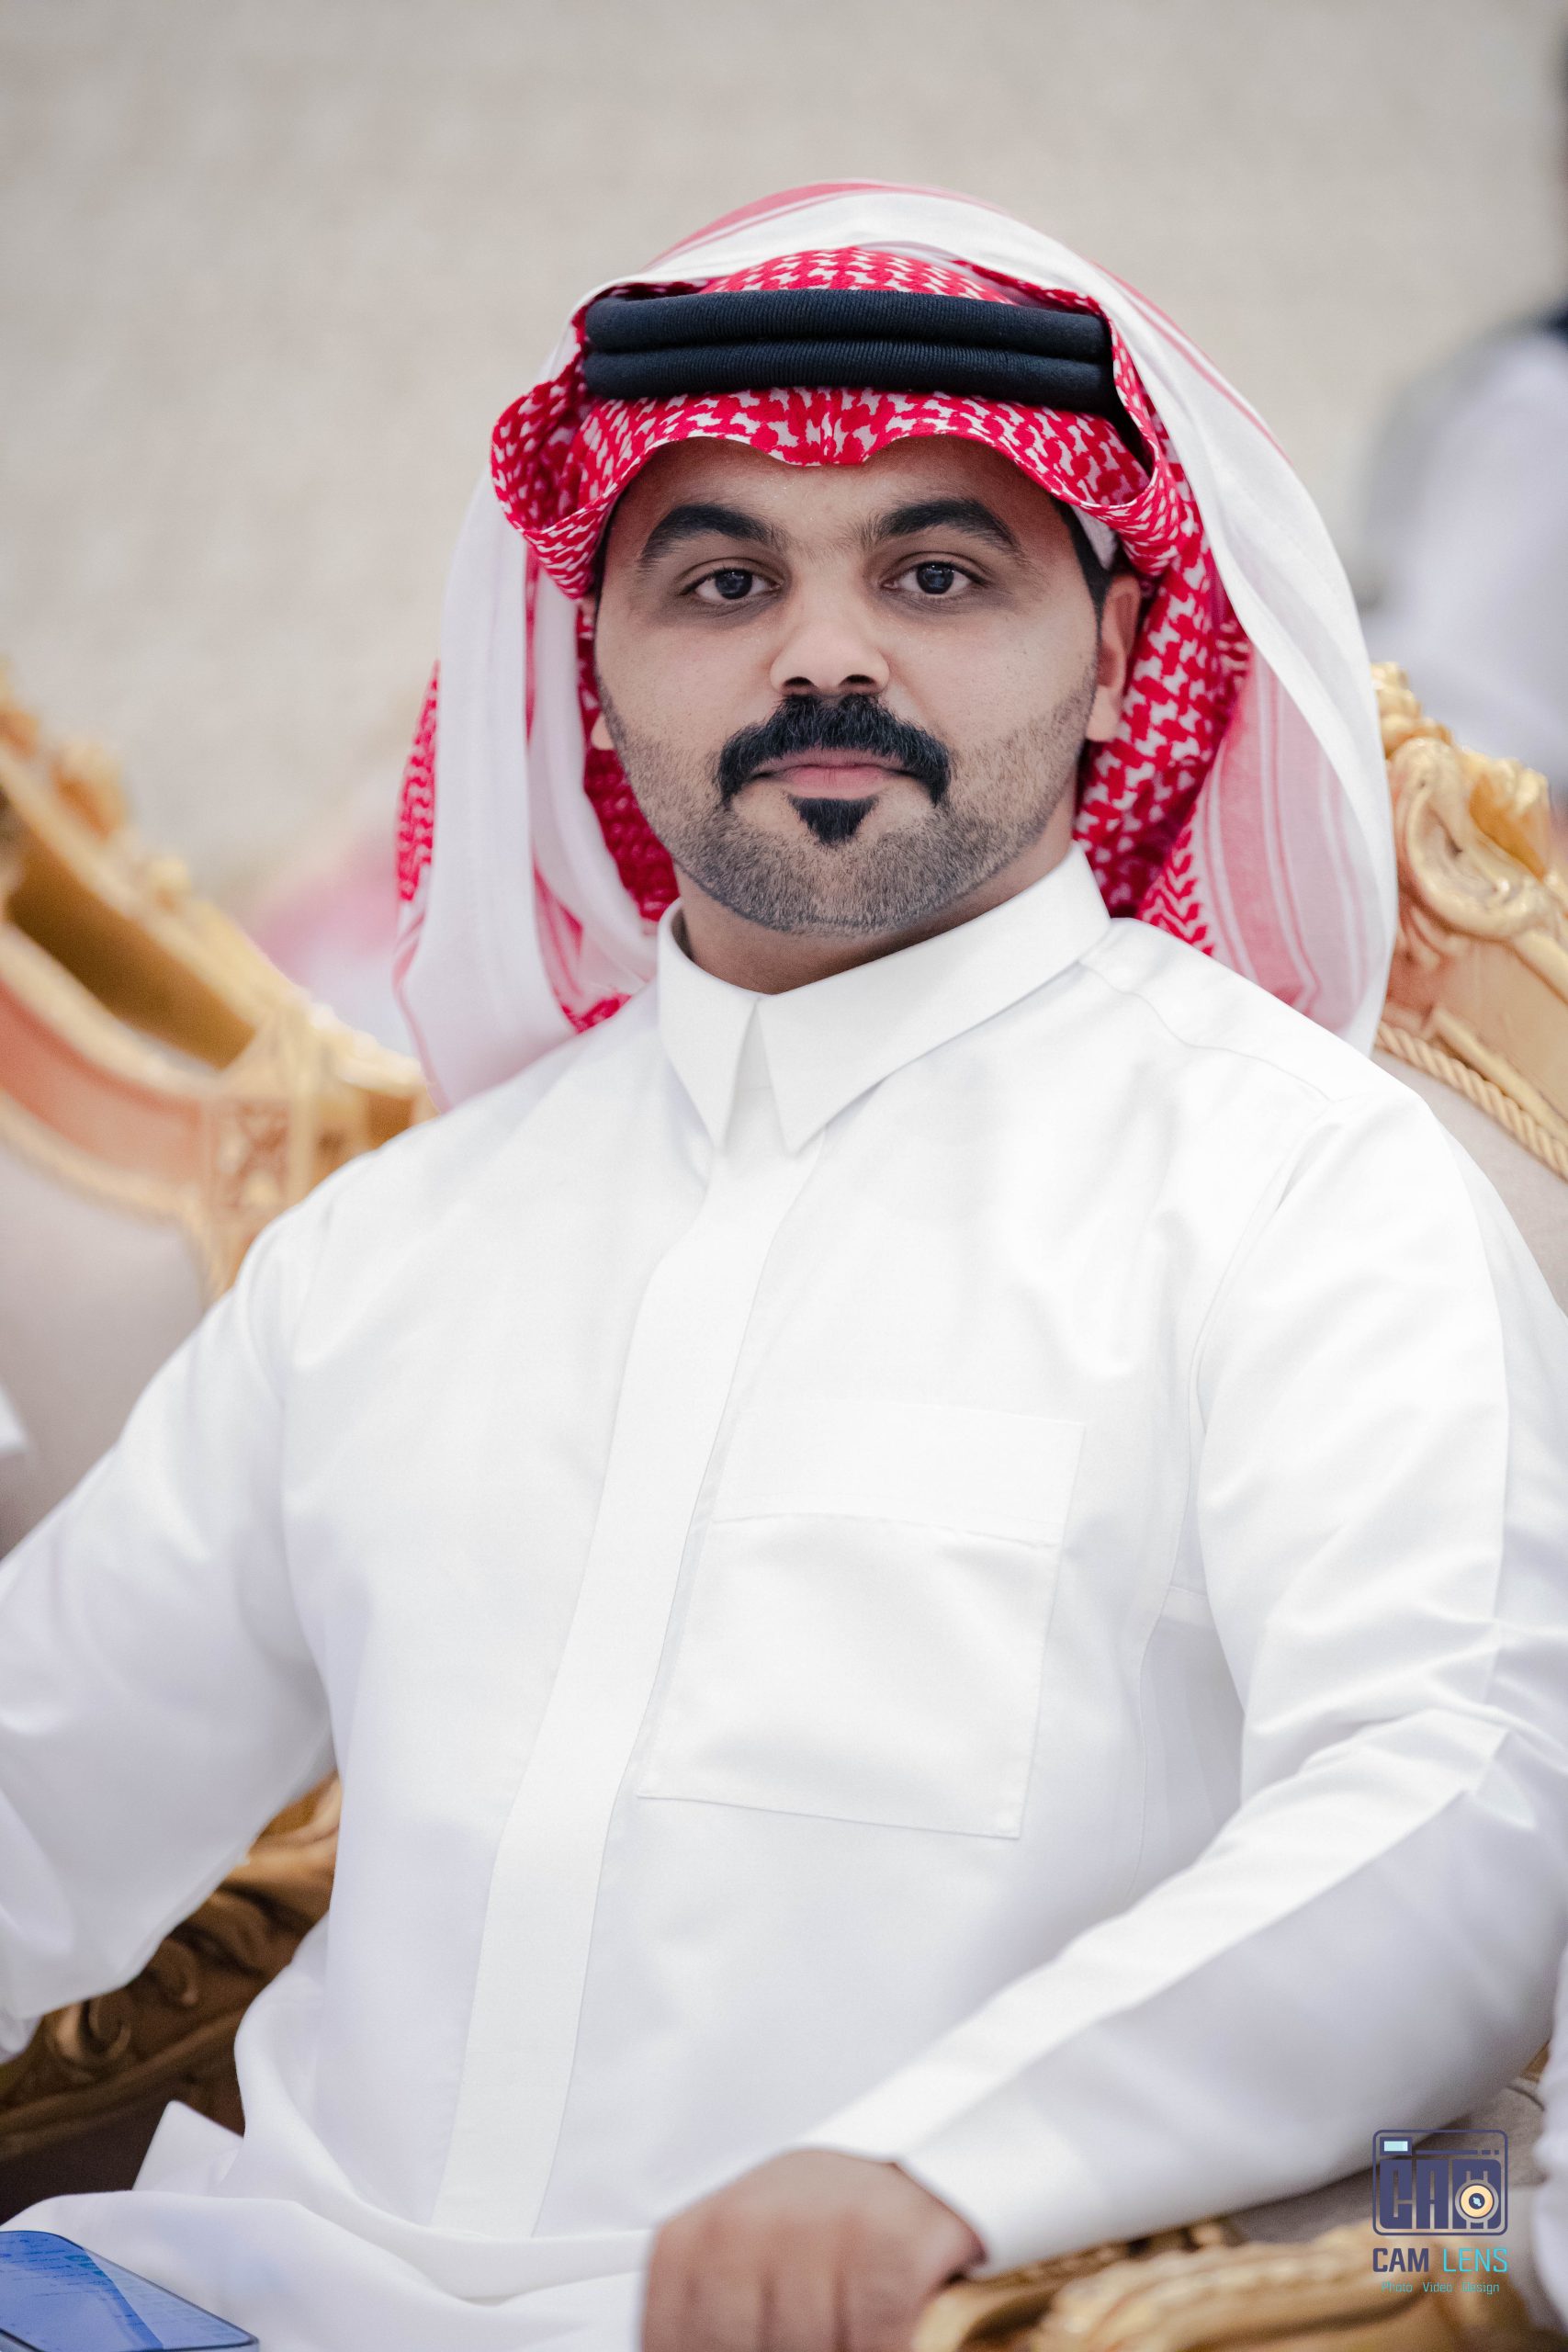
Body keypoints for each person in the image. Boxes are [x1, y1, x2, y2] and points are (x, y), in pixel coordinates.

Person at [2, 185, 1566, 2352]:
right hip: (215, 2297)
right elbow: (44, 1777)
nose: (825, 656)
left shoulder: (1296, 1188)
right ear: (595, 654)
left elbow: (1453, 1802)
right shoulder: (390, 1248)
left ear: (1118, 650)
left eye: (935, 573)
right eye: (723, 580)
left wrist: (941, 2159)